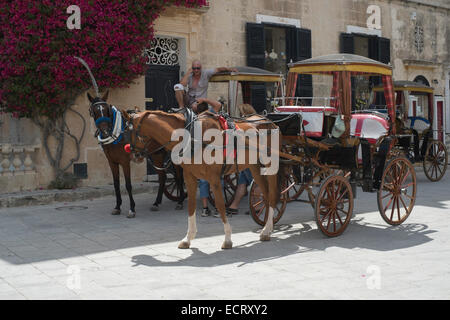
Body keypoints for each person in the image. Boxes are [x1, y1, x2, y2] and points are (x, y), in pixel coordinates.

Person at [225, 103, 257, 215]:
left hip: (250, 156)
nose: (240, 115)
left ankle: (256, 204)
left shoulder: (250, 125)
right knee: (242, 182)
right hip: (244, 157)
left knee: (252, 181)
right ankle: (234, 205)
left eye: (241, 113)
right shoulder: (244, 124)